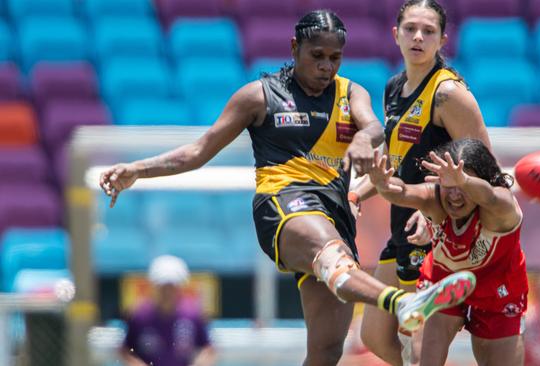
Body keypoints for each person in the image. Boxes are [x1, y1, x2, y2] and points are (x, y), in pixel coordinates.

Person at [100, 10, 476, 366]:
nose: (326, 66)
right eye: (317, 55)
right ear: (294, 48)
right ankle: (402, 303)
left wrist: (365, 139)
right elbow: (198, 151)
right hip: (283, 205)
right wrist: (136, 170)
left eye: (335, 57)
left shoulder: (350, 93)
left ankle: (387, 298)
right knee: (331, 254)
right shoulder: (258, 96)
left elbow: (374, 128)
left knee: (326, 352)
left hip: (335, 214)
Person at [355, 1, 490, 364]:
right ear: (395, 34)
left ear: (443, 39)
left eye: (428, 31)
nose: (418, 36)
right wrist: (358, 191)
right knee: (375, 334)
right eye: (410, 28)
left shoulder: (448, 94)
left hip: (437, 230)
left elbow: (484, 166)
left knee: (421, 345)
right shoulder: (394, 87)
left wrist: (437, 211)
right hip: (403, 222)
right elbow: (399, 160)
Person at [367, 138, 528, 366]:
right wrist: (384, 186)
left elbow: (490, 196)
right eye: (448, 184)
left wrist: (463, 180)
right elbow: (403, 191)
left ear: (483, 179)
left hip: (499, 293)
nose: (454, 195)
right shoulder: (434, 201)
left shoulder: (501, 207)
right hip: (442, 285)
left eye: (462, 185)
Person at [121, 255, 217, 366]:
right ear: (154, 286)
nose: (167, 292)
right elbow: (126, 351)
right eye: (163, 287)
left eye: (172, 286)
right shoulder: (139, 316)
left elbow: (208, 349)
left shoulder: (193, 314)